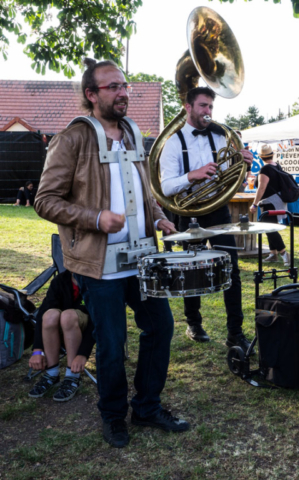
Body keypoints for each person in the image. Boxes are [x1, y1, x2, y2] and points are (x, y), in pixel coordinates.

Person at [35, 58, 187, 448]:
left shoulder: (134, 133)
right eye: (113, 87)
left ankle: (148, 407)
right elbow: (45, 200)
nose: (123, 93)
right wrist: (95, 217)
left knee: (161, 327)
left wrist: (158, 218)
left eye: (125, 86)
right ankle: (113, 415)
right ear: (91, 94)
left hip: (142, 259)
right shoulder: (72, 138)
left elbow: (143, 188)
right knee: (113, 341)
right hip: (97, 264)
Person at [159, 86, 254, 347]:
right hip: (189, 215)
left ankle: (235, 332)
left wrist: (242, 164)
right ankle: (194, 323)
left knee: (231, 270)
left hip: (218, 210)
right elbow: (166, 186)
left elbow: (232, 179)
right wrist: (193, 175)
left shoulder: (221, 137)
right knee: (192, 272)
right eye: (203, 106)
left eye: (210, 106)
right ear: (188, 108)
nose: (208, 111)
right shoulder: (173, 142)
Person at [28, 270, 95, 402]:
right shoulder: (60, 280)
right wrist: (37, 350)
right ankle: (52, 373)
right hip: (62, 325)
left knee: (68, 316)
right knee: (49, 315)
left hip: (85, 324)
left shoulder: (95, 281)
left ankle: (73, 376)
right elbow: (42, 314)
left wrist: (83, 354)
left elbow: (97, 321)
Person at [250, 144, 290, 266]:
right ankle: (273, 254)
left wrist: (254, 204)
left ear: (261, 157)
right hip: (277, 201)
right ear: (272, 154)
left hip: (270, 202)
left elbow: (261, 189)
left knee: (269, 228)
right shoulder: (277, 165)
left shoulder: (265, 169)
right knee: (270, 227)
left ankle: (284, 253)